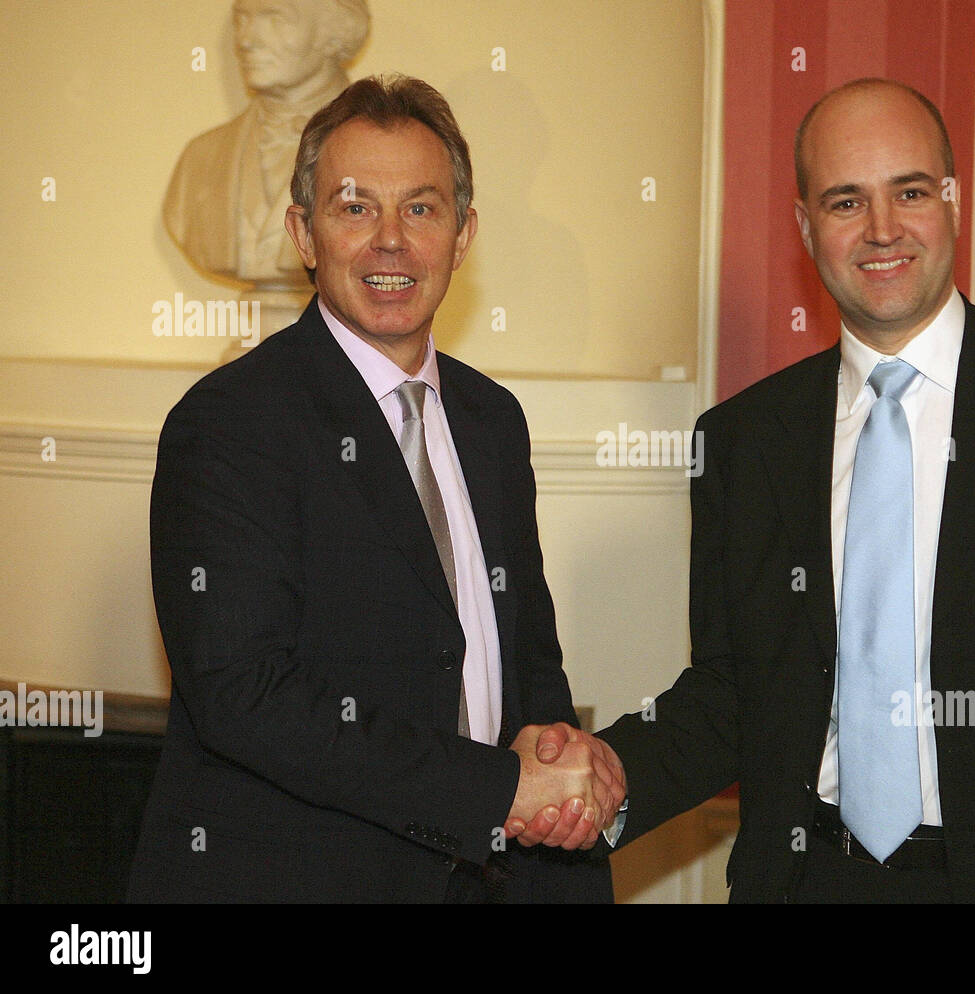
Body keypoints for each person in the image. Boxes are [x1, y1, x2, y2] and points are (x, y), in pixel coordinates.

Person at [512, 78, 975, 903]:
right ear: (807, 227)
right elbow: (736, 691)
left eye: (909, 192)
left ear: (952, 201)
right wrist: (610, 771)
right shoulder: (740, 441)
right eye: (846, 201)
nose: (882, 230)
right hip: (809, 881)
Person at [130, 73, 622, 903]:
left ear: (463, 235)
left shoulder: (493, 420)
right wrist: (493, 791)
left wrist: (559, 768)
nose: (390, 241)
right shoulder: (228, 423)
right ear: (304, 232)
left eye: (421, 209)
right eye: (355, 208)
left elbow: (526, 658)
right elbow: (244, 695)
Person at [163, 0, 369, 286]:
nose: (246, 41)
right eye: (241, 20)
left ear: (338, 30)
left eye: (275, 19)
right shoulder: (200, 159)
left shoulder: (384, 156)